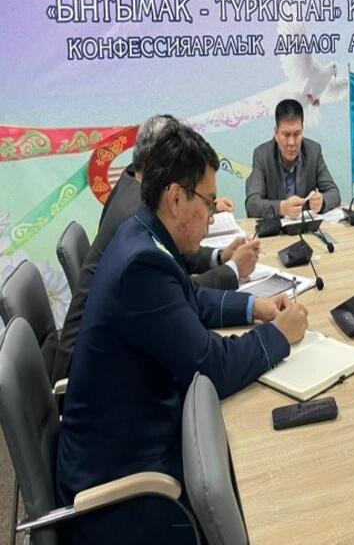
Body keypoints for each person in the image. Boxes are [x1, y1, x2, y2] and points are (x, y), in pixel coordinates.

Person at [56, 123, 309, 543]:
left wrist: (255, 307)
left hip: (126, 438)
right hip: (120, 490)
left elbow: (190, 297)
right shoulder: (141, 265)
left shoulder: (142, 233)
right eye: (208, 203)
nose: (211, 216)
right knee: (261, 486)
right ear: (175, 198)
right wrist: (278, 336)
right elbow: (213, 367)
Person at [53, 115, 258, 382]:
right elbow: (208, 360)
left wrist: (251, 303)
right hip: (99, 378)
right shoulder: (138, 237)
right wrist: (276, 333)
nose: (209, 219)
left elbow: (183, 286)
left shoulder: (136, 198)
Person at [245, 98, 341, 219]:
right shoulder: (262, 155)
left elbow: (334, 193)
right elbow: (252, 204)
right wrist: (282, 208)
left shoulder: (313, 151)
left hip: (306, 227)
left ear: (302, 131)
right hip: (276, 228)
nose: (292, 142)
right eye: (286, 135)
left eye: (297, 134)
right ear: (276, 133)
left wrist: (322, 202)